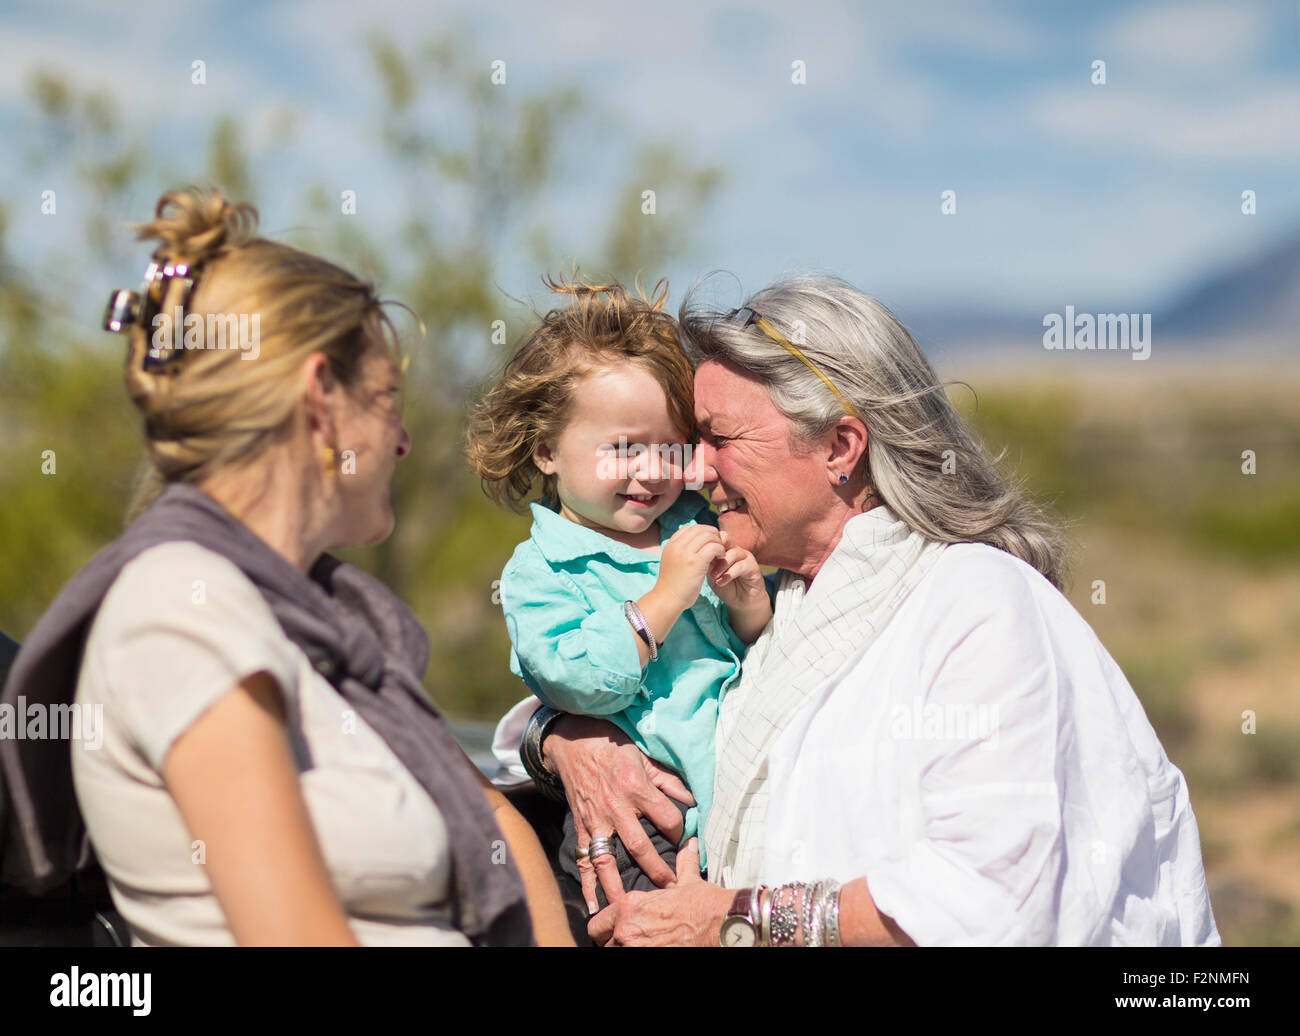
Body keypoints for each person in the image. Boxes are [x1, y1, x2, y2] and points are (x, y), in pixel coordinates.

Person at [495, 273, 1221, 947]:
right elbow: (643, 690)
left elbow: (989, 899)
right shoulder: (774, 596)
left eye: (717, 438)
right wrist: (566, 735)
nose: (695, 469)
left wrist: (730, 923)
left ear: (841, 446)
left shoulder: (978, 604)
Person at [0, 187, 572, 947]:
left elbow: (493, 818)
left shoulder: (320, 630)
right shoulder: (179, 609)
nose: (403, 440)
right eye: (388, 399)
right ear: (319, 401)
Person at [466, 277, 771, 912]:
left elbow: (753, 648)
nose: (652, 470)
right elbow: (575, 684)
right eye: (624, 449)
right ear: (547, 450)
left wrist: (746, 601)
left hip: (737, 801)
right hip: (639, 824)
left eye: (669, 447)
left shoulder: (695, 520)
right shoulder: (542, 571)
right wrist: (662, 600)